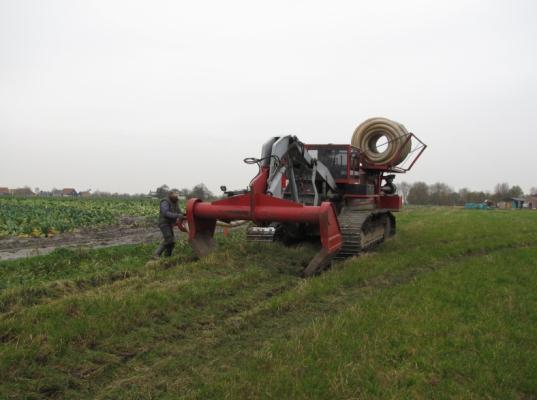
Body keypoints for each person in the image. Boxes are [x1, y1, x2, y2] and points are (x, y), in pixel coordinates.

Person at [154, 191, 183, 258]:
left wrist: (184, 214)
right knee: (169, 240)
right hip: (164, 223)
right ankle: (156, 255)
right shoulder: (165, 202)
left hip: (169, 224)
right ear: (170, 196)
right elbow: (166, 213)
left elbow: (179, 212)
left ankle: (167, 258)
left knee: (171, 242)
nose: (176, 198)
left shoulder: (175, 202)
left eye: (177, 197)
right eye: (175, 196)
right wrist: (177, 215)